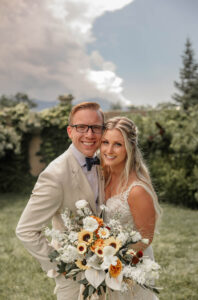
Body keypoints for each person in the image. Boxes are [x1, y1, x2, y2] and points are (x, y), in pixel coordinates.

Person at [16, 102, 105, 300]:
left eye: (96, 127)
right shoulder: (55, 174)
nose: (89, 134)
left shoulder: (105, 161)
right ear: (69, 131)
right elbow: (25, 230)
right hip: (74, 279)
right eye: (81, 127)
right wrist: (60, 265)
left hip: (106, 270)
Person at [100, 116, 162, 300]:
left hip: (130, 270)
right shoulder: (102, 175)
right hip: (102, 264)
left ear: (130, 147)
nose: (109, 150)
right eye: (105, 142)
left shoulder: (136, 190)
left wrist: (114, 262)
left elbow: (146, 238)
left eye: (117, 144)